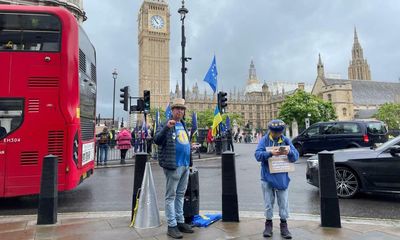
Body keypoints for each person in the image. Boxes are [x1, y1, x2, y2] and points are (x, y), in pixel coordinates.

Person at [154, 98, 194, 239]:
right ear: (172, 111)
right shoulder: (165, 123)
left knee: (180, 195)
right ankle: (171, 225)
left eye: (182, 109)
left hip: (184, 165)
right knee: (171, 196)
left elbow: (184, 143)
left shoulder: (183, 124)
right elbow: (157, 140)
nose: (180, 111)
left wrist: (190, 156)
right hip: (173, 165)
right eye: (177, 108)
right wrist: (166, 128)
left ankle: (180, 221)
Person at [254, 119, 299, 239]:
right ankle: (268, 224)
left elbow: (295, 157)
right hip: (267, 177)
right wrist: (269, 153)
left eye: (278, 132)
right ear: (270, 130)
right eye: (274, 132)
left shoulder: (286, 140)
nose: (276, 134)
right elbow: (257, 155)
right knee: (268, 203)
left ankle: (284, 225)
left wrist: (290, 152)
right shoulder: (264, 140)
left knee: (283, 203)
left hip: (281, 177)